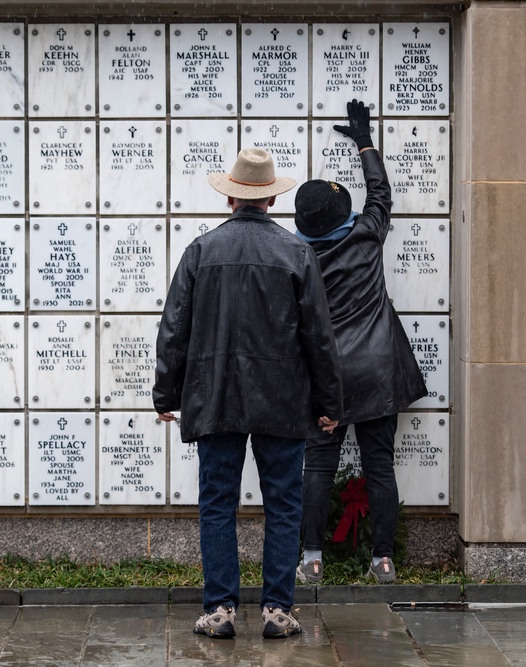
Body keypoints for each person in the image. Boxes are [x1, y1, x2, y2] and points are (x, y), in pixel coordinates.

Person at [154, 147, 343, 639]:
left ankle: (220, 610)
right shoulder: (297, 253)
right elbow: (319, 338)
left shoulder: (200, 251)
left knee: (217, 503)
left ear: (231, 199)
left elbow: (174, 327)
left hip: (215, 398)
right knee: (284, 504)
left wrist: (166, 394)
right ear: (271, 201)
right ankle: (278, 610)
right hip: (283, 401)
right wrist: (329, 405)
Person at [293, 100, 427, 586]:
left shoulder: (297, 258)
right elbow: (380, 195)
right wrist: (365, 142)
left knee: (318, 466)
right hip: (376, 371)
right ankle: (383, 560)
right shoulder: (367, 236)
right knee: (379, 466)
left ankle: (311, 557)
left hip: (327, 379)